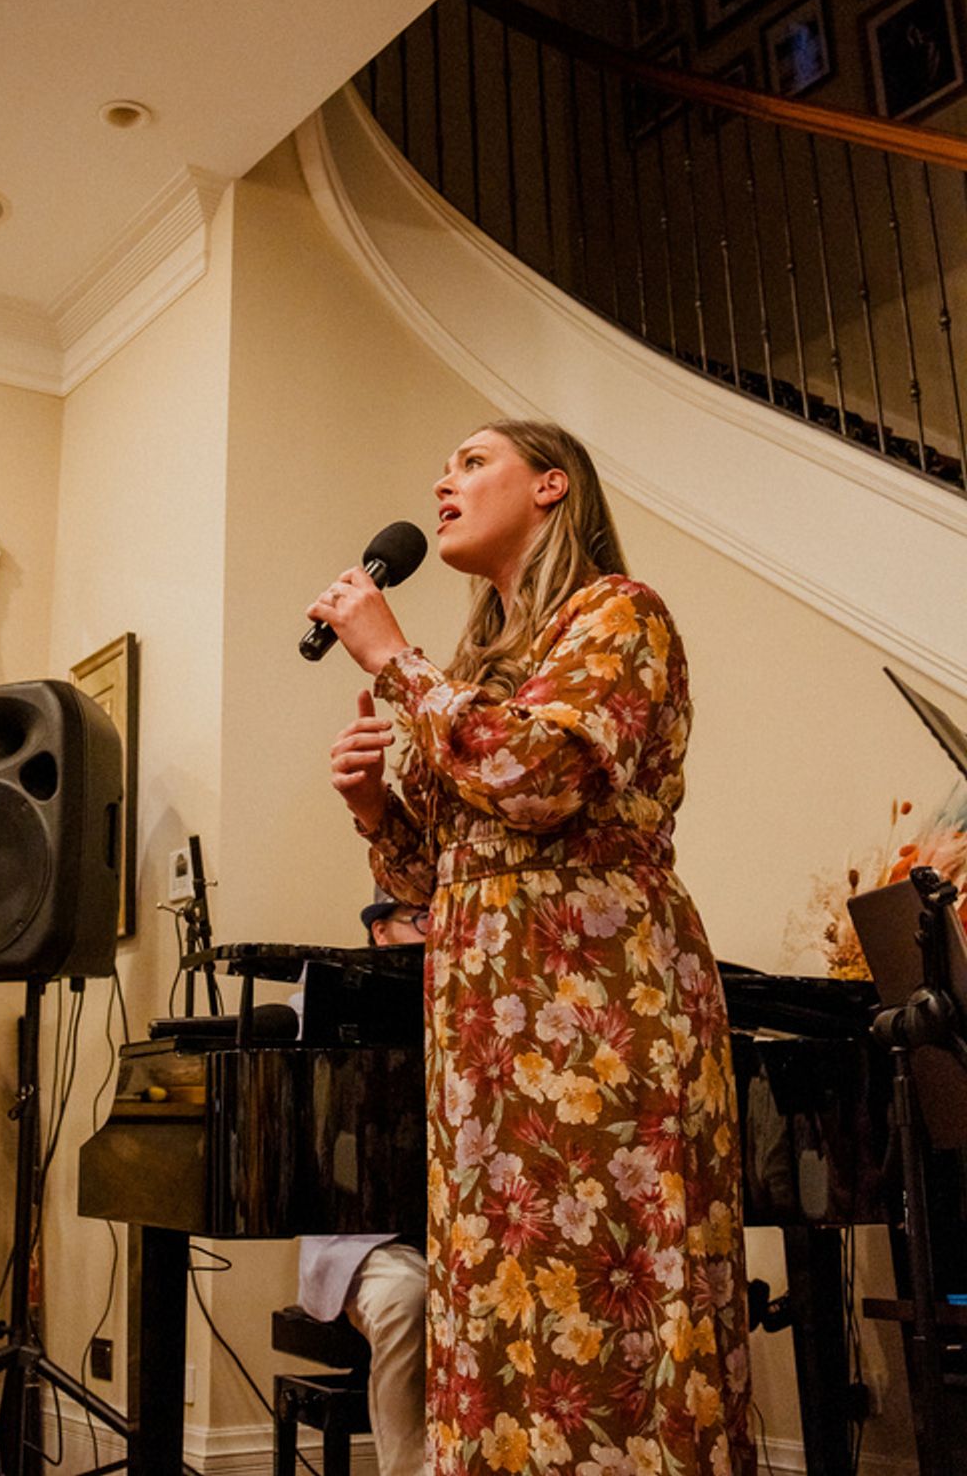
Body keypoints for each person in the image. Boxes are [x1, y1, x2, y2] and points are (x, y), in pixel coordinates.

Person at [306, 420, 753, 1476]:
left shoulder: (619, 613)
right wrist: (375, 808)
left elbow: (541, 779)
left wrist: (393, 660)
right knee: (503, 1301)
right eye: (444, 465)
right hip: (485, 1025)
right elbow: (433, 876)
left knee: (611, 1289)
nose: (443, 481)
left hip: (601, 1009)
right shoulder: (479, 667)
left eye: (473, 462)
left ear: (552, 486)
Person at [297, 893, 429, 1476]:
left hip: (465, 1236)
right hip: (368, 1241)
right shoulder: (329, 1004)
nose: (437, 932)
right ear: (380, 931)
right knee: (406, 1299)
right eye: (422, 919)